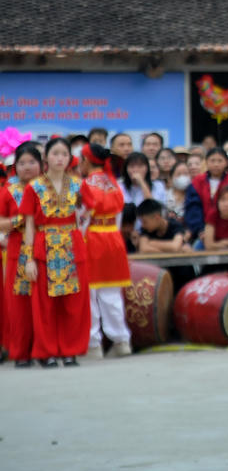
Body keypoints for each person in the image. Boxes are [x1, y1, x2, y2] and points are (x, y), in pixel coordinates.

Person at [20, 138, 90, 368]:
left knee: (74, 304)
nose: (60, 158)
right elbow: (29, 224)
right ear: (46, 158)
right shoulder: (34, 187)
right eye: (55, 153)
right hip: (44, 246)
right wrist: (29, 258)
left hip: (71, 245)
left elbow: (91, 210)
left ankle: (70, 351)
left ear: (70, 158)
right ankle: (47, 351)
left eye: (64, 154)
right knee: (44, 305)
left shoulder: (79, 185)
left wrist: (82, 231)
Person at [78, 144, 133, 359]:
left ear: (86, 161)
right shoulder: (114, 184)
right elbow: (119, 217)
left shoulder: (86, 185)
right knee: (111, 294)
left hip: (93, 239)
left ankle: (93, 345)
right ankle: (122, 341)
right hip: (113, 239)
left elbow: (82, 218)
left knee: (90, 294)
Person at [1, 142, 41, 367]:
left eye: (32, 162)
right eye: (22, 163)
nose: (27, 167)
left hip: (47, 249)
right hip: (19, 252)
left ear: (41, 165)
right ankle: (21, 352)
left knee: (45, 303)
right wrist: (21, 220)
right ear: (15, 166)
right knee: (19, 305)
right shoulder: (9, 191)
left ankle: (45, 349)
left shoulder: (49, 189)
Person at [184, 148, 228, 243]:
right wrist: (201, 230)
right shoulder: (197, 182)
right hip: (202, 233)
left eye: (220, 161)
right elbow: (193, 209)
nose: (216, 164)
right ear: (206, 162)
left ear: (226, 163)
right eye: (212, 160)